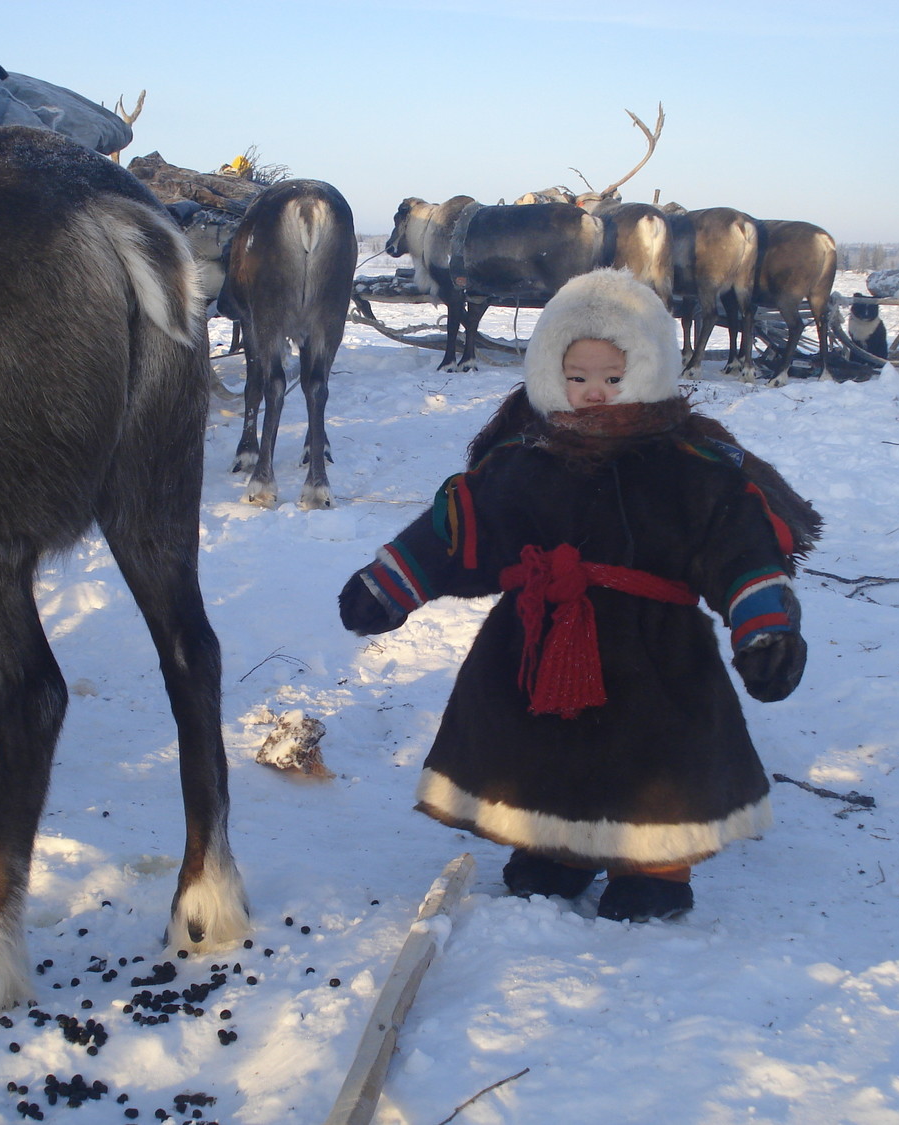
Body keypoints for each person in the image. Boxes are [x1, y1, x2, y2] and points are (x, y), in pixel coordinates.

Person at [338, 268, 820, 922]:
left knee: (652, 757)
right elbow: (461, 530)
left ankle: (655, 865)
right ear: (548, 372)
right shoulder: (525, 455)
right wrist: (390, 584)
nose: (594, 392)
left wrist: (763, 627)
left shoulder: (689, 465)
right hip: (539, 640)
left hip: (655, 652)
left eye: (614, 378)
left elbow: (737, 549)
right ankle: (558, 846)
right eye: (577, 376)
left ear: (648, 369)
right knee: (544, 751)